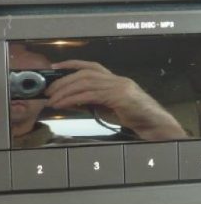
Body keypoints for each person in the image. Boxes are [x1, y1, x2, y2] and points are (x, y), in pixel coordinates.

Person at [9, 44, 187, 148]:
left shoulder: (83, 153)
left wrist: (155, 126)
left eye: (29, 82)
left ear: (50, 88)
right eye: (5, 79)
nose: (15, 89)